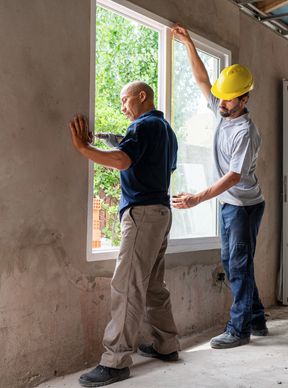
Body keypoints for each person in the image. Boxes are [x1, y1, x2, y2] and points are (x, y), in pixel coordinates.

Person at [68, 81, 179, 387]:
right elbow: (142, 159)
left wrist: (84, 148)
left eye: (124, 99)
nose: (122, 106)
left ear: (142, 96)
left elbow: (123, 159)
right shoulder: (165, 130)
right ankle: (166, 345)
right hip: (161, 212)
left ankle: (115, 361)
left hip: (142, 214)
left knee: (127, 285)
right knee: (154, 286)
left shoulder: (142, 126)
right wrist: (108, 141)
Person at [171, 25, 267, 349]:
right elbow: (201, 80)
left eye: (228, 99)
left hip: (244, 205)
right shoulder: (224, 111)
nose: (221, 102)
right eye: (221, 97)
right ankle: (256, 316)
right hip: (229, 204)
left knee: (237, 264)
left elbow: (233, 177)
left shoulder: (245, 132)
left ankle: (239, 330)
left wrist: (197, 197)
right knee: (233, 262)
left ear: (244, 99)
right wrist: (189, 44)